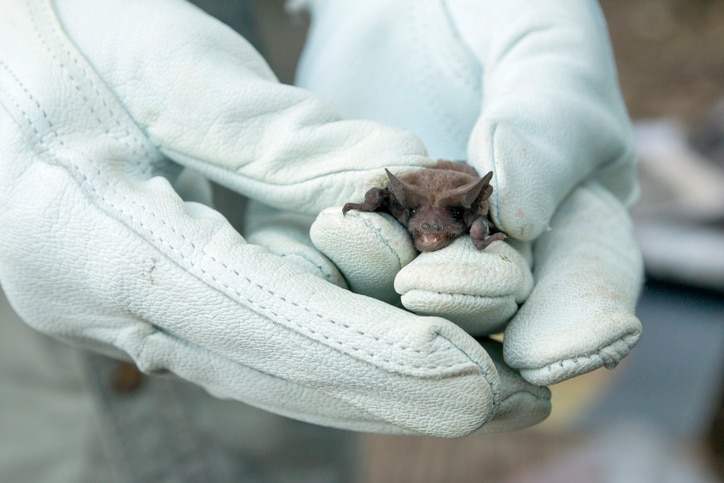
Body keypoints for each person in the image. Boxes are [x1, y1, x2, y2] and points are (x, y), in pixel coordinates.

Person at [0, 0, 643, 480]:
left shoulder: (459, 214)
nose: (426, 235)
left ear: (463, 221)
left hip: (291, 80)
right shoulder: (402, 204)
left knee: (311, 346)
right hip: (36, 413)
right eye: (420, 228)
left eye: (434, 230)